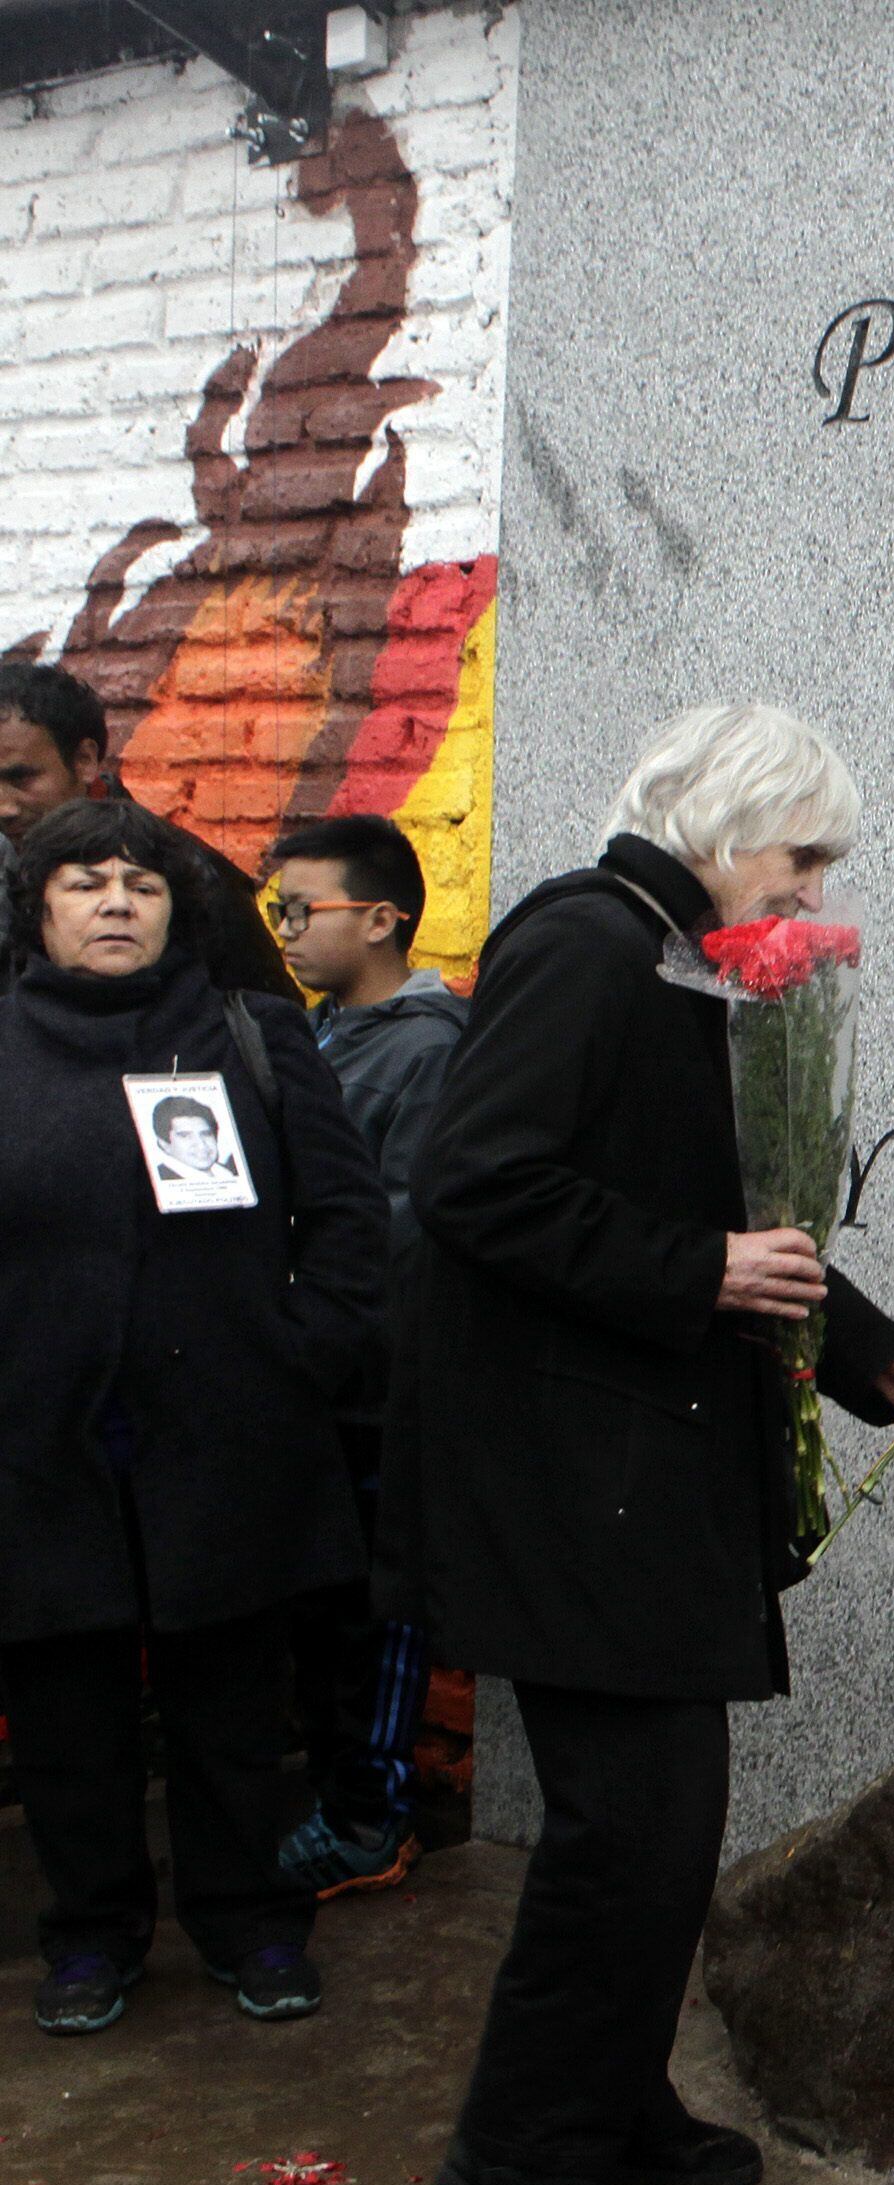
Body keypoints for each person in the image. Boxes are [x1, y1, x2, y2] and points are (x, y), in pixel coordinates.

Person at [385, 703, 894, 2185]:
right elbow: (476, 1182)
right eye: (802, 852)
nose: (814, 886)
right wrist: (696, 1270)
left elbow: (740, 1216)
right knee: (622, 1833)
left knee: (665, 1829)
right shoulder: (588, 943)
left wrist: (876, 1352)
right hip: (576, 1481)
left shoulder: (683, 960)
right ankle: (514, 2150)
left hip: (640, 1475)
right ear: (718, 824)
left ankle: (613, 2099)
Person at [0, 798, 389, 2035]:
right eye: (84, 882)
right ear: (38, 908)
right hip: (44, 1445)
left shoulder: (248, 1035)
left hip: (226, 1437)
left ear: (177, 911)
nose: (117, 901)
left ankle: (251, 1924)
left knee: (231, 1709)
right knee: (71, 1714)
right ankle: (92, 1936)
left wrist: (297, 1355)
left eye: (142, 883)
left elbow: (347, 1217)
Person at [266, 814, 468, 1897]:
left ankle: (371, 1816)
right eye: (278, 911)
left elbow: (402, 1234)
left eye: (304, 909)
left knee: (381, 1613)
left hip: (379, 1388)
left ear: (382, 917)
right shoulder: (317, 1030)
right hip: (317, 1380)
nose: (288, 931)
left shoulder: (426, 1049)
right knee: (327, 1612)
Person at [0, 659, 297, 1000]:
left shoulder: (190, 874)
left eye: (21, 778)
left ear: (84, 761)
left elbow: (269, 1022)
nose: (4, 808)